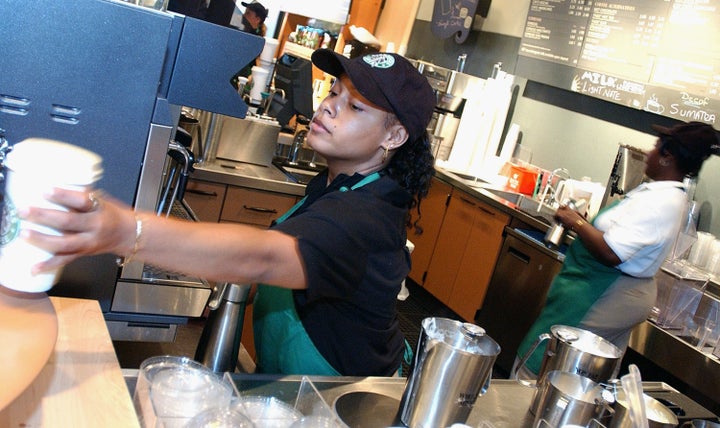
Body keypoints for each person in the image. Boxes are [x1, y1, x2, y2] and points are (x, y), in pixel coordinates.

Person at [21, 49, 436, 377]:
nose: (328, 108)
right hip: (298, 385)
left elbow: (266, 255)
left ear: (395, 135)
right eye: (333, 93)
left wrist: (125, 230)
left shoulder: (366, 216)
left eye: (356, 107)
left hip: (343, 398)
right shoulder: (331, 185)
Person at [514, 121, 720, 378]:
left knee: (551, 360)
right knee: (585, 371)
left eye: (656, 148)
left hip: (602, 292)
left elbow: (612, 253)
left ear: (668, 158)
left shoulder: (661, 202)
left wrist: (575, 222)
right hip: (607, 287)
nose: (648, 153)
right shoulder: (663, 195)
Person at [231, 0, 268, 89]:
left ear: (257, 19)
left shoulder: (256, 40)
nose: (244, 15)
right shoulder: (244, 33)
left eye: (248, 13)